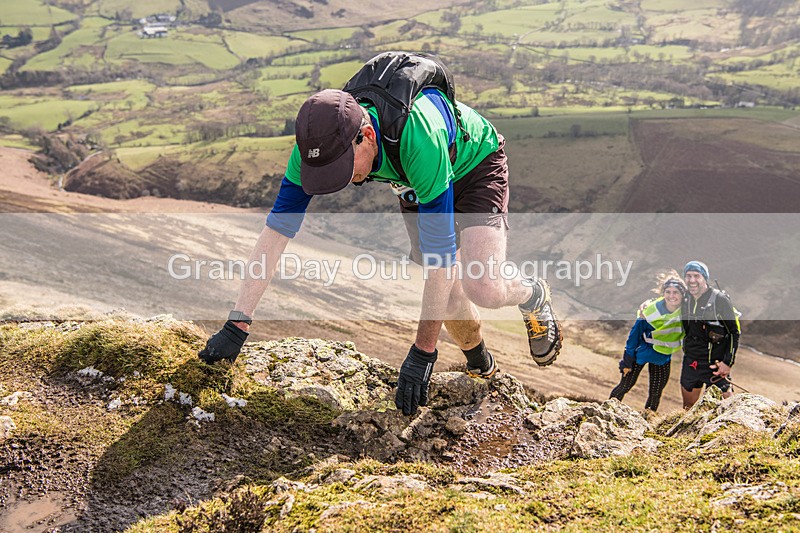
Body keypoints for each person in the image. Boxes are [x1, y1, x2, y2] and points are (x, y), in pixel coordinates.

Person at [196, 52, 563, 416]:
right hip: (412, 182)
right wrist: (238, 321)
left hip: (473, 164)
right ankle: (480, 364)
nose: (339, 179)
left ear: (367, 135)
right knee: (449, 296)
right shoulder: (316, 146)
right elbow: (275, 233)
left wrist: (423, 351)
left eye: (343, 167)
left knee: (481, 285)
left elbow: (442, 260)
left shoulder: (418, 137)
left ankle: (532, 293)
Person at [610, 271, 685, 415]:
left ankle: (647, 421)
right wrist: (627, 361)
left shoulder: (685, 313)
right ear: (663, 293)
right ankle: (608, 412)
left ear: (682, 295)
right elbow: (634, 336)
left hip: (662, 358)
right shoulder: (650, 310)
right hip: (641, 353)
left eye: (675, 292)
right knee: (625, 386)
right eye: (667, 292)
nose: (671, 296)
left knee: (655, 394)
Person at [680, 260, 741, 409]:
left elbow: (734, 332)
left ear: (704, 278)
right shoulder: (684, 298)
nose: (692, 280)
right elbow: (665, 301)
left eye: (696, 276)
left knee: (724, 409)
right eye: (688, 276)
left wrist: (728, 362)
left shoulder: (720, 300)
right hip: (691, 362)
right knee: (688, 408)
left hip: (715, 365)